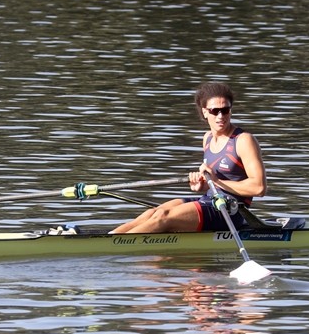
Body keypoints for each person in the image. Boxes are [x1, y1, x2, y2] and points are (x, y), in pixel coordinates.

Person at [111, 82, 266, 234]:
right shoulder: (207, 138)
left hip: (232, 211)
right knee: (154, 212)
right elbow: (213, 184)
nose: (220, 116)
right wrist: (202, 185)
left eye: (225, 110)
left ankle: (114, 247)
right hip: (210, 200)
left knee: (164, 218)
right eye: (215, 111)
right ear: (205, 112)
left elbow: (259, 188)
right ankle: (109, 238)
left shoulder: (243, 140)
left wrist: (216, 181)